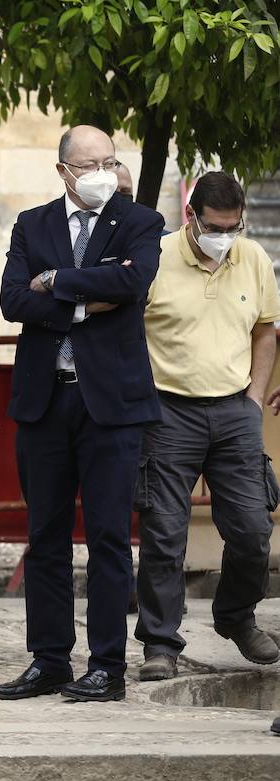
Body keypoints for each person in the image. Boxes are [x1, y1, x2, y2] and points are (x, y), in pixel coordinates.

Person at [0, 125, 165, 704]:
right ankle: (49, 660)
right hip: (45, 399)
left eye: (109, 161)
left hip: (112, 404)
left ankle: (107, 667)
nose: (101, 173)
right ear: (63, 169)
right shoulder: (32, 224)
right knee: (45, 536)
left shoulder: (138, 221)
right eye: (88, 163)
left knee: (110, 538)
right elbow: (14, 300)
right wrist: (88, 304)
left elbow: (132, 282)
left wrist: (57, 283)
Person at [135, 172, 280, 680]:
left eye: (234, 226)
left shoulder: (254, 259)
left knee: (252, 531)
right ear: (191, 216)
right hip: (168, 411)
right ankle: (160, 644)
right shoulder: (155, 256)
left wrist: (254, 399)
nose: (225, 236)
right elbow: (129, 331)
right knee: (164, 534)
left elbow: (266, 330)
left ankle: (236, 617)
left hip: (235, 410)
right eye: (216, 226)